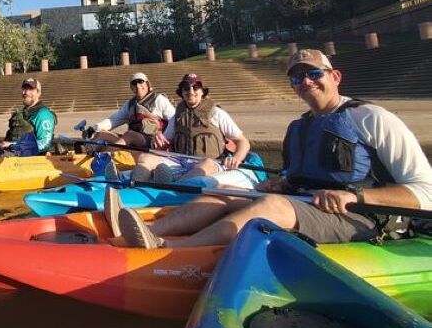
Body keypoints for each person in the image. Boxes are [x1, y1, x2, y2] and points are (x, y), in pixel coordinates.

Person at [109, 49, 432, 249]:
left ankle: (173, 250)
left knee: (273, 205)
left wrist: (357, 197)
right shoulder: (301, 126)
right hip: (306, 202)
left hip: (360, 216)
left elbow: (424, 191)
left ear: (335, 76)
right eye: (296, 78)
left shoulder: (371, 118)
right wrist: (282, 183)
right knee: (224, 192)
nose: (305, 82)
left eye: (313, 74)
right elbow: (299, 177)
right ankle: (146, 231)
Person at [126, 73, 256, 188]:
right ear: (181, 92)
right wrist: (158, 138)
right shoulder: (178, 115)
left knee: (205, 165)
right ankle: (133, 187)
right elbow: (165, 143)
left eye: (195, 87)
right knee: (145, 158)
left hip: (211, 162)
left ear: (202, 92)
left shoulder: (217, 114)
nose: (191, 91)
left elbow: (243, 142)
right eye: (186, 88)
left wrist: (236, 158)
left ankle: (172, 190)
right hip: (180, 160)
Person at [85, 72, 175, 150]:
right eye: (134, 83)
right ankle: (87, 151)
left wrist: (165, 137)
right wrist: (94, 128)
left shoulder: (159, 99)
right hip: (133, 141)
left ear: (147, 84)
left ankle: (106, 156)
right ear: (131, 87)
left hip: (152, 142)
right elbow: (114, 120)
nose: (138, 85)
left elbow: (174, 118)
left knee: (129, 135)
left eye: (141, 82)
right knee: (101, 134)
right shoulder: (129, 104)